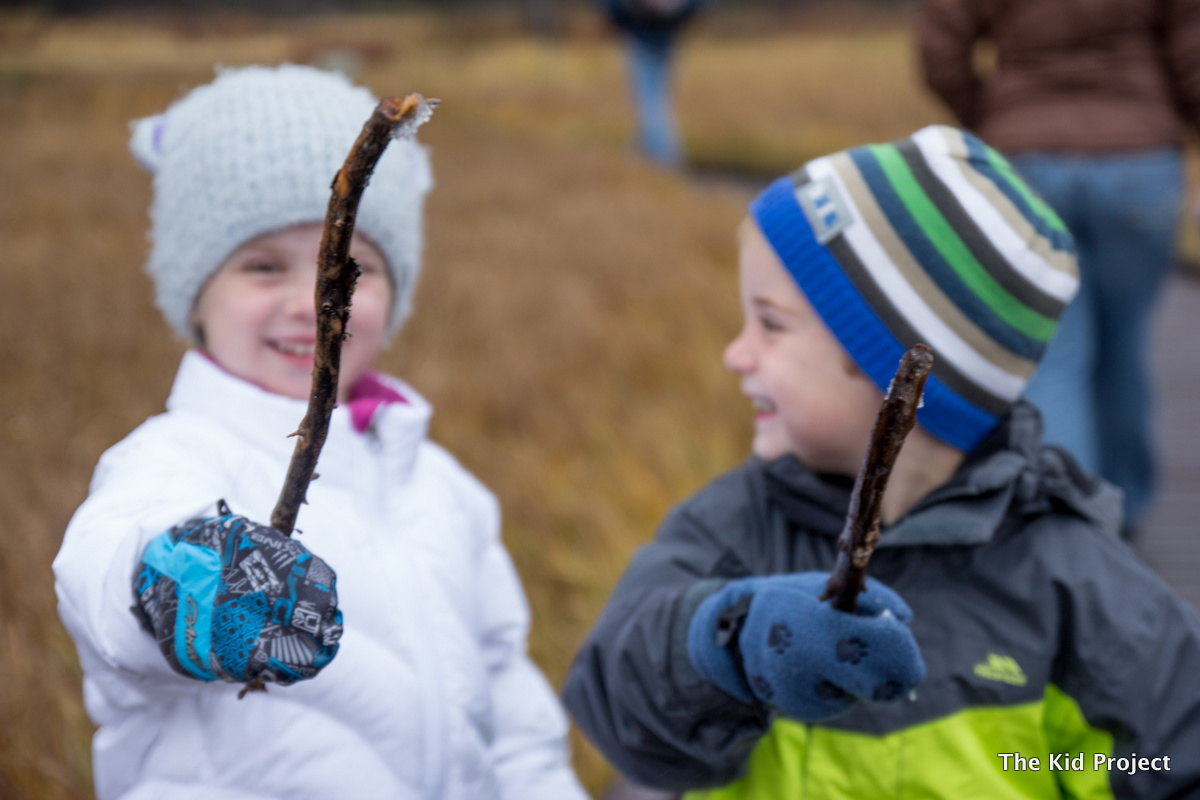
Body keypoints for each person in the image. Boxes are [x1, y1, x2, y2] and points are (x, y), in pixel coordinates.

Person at [563, 125, 1200, 798]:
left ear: (903, 376)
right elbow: (616, 706)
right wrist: (730, 645)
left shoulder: (1078, 588)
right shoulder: (733, 529)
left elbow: (1164, 763)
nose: (736, 354)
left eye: (770, 325)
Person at [52, 65, 589, 800]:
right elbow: (100, 567)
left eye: (348, 268)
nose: (310, 302)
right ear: (195, 293)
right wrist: (177, 574)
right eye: (264, 267)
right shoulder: (172, 460)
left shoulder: (440, 484)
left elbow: (506, 688)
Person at [917, 0, 1200, 535]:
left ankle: (1070, 523)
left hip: (1027, 161)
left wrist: (999, 117)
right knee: (1126, 346)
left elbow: (940, 49)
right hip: (1140, 163)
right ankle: (1127, 509)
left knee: (1053, 355)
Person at [600, 0, 707, 168]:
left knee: (651, 103)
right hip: (649, 36)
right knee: (654, 102)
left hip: (652, 39)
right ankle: (648, 150)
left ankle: (667, 162)